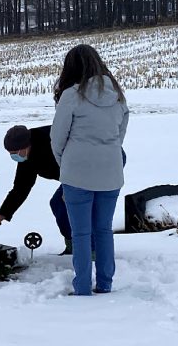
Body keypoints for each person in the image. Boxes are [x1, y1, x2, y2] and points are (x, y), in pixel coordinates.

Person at [50, 44, 129, 296]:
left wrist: (67, 163)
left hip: (77, 172)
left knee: (81, 233)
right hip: (111, 171)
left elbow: (57, 138)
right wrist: (108, 152)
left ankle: (82, 286)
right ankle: (105, 283)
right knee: (103, 229)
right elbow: (121, 131)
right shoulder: (117, 94)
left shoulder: (71, 95)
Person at [0, 124, 73, 254]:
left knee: (71, 205)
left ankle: (91, 248)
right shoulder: (27, 158)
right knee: (58, 204)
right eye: (10, 153)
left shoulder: (53, 142)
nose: (13, 156)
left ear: (26, 146)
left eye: (15, 153)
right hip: (69, 178)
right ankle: (72, 245)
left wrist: (72, 188)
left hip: (88, 170)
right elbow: (20, 188)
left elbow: (78, 159)